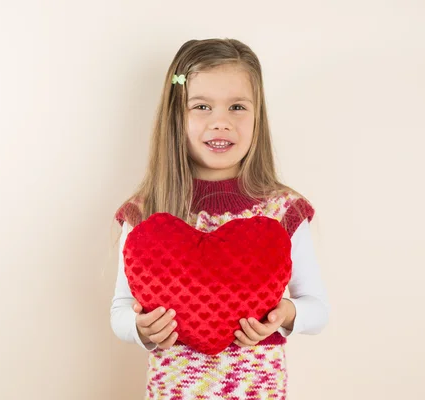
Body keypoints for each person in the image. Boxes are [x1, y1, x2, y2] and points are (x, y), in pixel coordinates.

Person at [109, 38, 329, 399]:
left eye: (238, 106)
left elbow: (317, 308)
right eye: (202, 107)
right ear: (176, 116)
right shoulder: (148, 213)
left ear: (258, 116)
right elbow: (120, 308)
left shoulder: (282, 210)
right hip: (173, 391)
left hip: (259, 391)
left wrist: (285, 314)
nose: (221, 122)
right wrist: (140, 327)